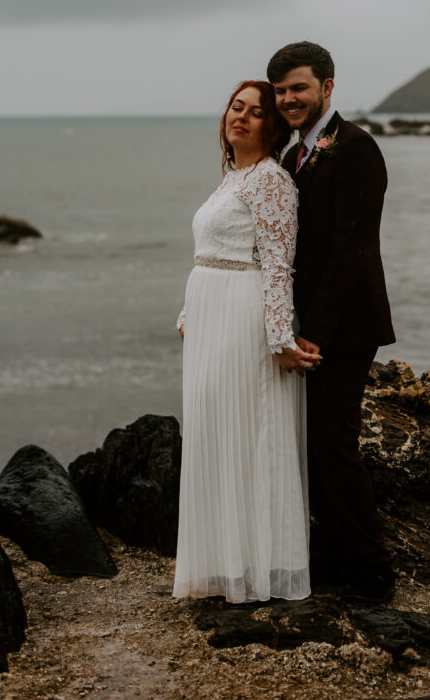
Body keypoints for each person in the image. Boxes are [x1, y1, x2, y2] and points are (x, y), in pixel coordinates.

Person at [173, 80, 320, 604]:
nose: (242, 117)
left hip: (244, 316)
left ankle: (262, 566)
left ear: (272, 127)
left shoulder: (272, 181)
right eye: (237, 107)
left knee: (248, 430)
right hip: (212, 316)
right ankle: (223, 561)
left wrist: (280, 337)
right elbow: (211, 251)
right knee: (215, 428)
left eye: (256, 113)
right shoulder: (232, 177)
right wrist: (190, 312)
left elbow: (278, 263)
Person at [267, 42, 397, 603]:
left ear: (328, 86)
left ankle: (373, 570)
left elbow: (352, 249)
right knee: (310, 443)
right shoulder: (293, 156)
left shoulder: (356, 147)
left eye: (298, 88)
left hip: (345, 326)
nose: (288, 99)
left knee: (333, 442)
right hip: (306, 324)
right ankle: (336, 556)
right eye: (280, 91)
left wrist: (311, 330)